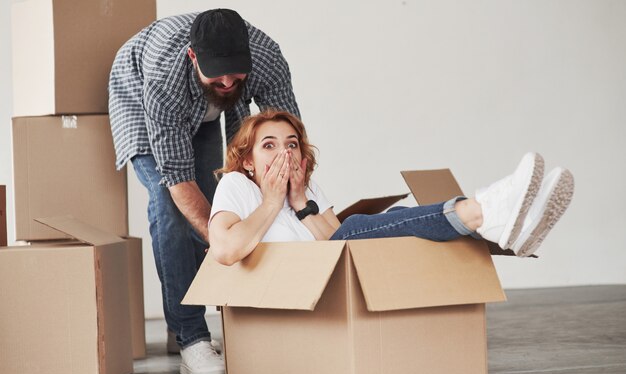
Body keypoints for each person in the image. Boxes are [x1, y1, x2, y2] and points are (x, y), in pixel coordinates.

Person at [108, 9, 299, 374]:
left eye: (235, 71)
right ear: (194, 57)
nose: (228, 81)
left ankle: (182, 316)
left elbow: (289, 141)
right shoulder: (166, 76)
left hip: (205, 111)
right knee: (172, 207)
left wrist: (295, 202)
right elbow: (179, 181)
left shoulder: (266, 57)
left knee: (218, 201)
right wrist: (225, 240)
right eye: (218, 71)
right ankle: (191, 338)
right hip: (138, 96)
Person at [208, 110, 574, 266]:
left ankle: (512, 225)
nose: (284, 152)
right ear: (248, 160)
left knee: (394, 219)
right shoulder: (237, 186)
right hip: (287, 297)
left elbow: (339, 246)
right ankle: (483, 211)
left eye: (291, 144)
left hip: (335, 280)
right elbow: (225, 252)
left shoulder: (308, 188)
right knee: (360, 227)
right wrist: (272, 202)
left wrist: (302, 200)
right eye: (268, 145)